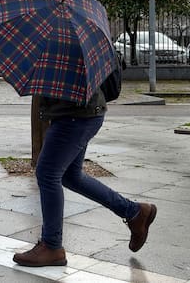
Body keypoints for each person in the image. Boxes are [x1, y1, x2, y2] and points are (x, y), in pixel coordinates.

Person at [12, 90, 158, 267]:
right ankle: (134, 212)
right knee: (70, 176)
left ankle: (51, 246)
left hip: (74, 115)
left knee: (47, 174)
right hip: (81, 113)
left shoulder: (68, 61)